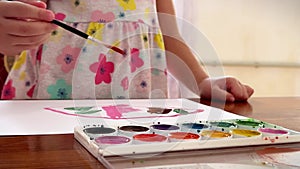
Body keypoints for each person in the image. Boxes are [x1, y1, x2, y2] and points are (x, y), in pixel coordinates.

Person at [0, 0, 253, 101]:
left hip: (136, 107)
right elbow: (23, 19)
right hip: (54, 103)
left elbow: (169, 39)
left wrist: (202, 81)